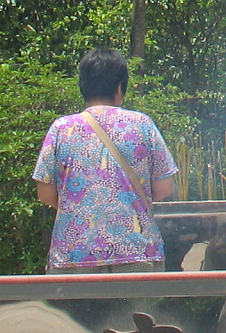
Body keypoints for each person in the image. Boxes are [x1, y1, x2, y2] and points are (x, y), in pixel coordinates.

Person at [32, 48, 177, 273]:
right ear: (119, 87)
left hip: (74, 257)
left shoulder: (61, 129)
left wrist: (84, 209)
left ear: (83, 86)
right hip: (137, 253)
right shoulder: (142, 125)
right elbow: (164, 188)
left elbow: (45, 193)